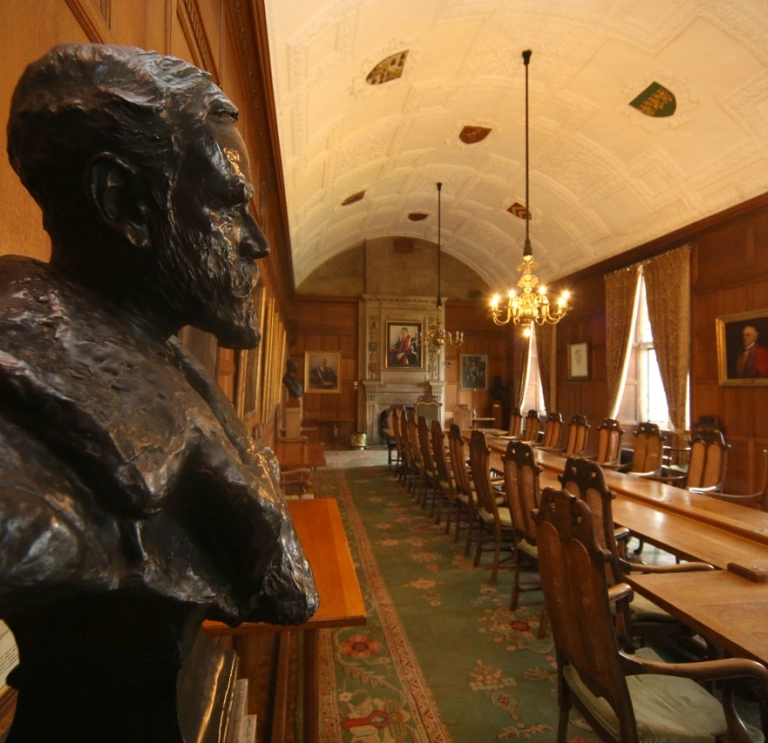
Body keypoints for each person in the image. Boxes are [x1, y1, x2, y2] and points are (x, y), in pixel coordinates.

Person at [0, 44, 318, 738]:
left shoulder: (167, 364)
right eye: (229, 206)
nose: (257, 242)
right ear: (124, 203)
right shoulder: (24, 472)